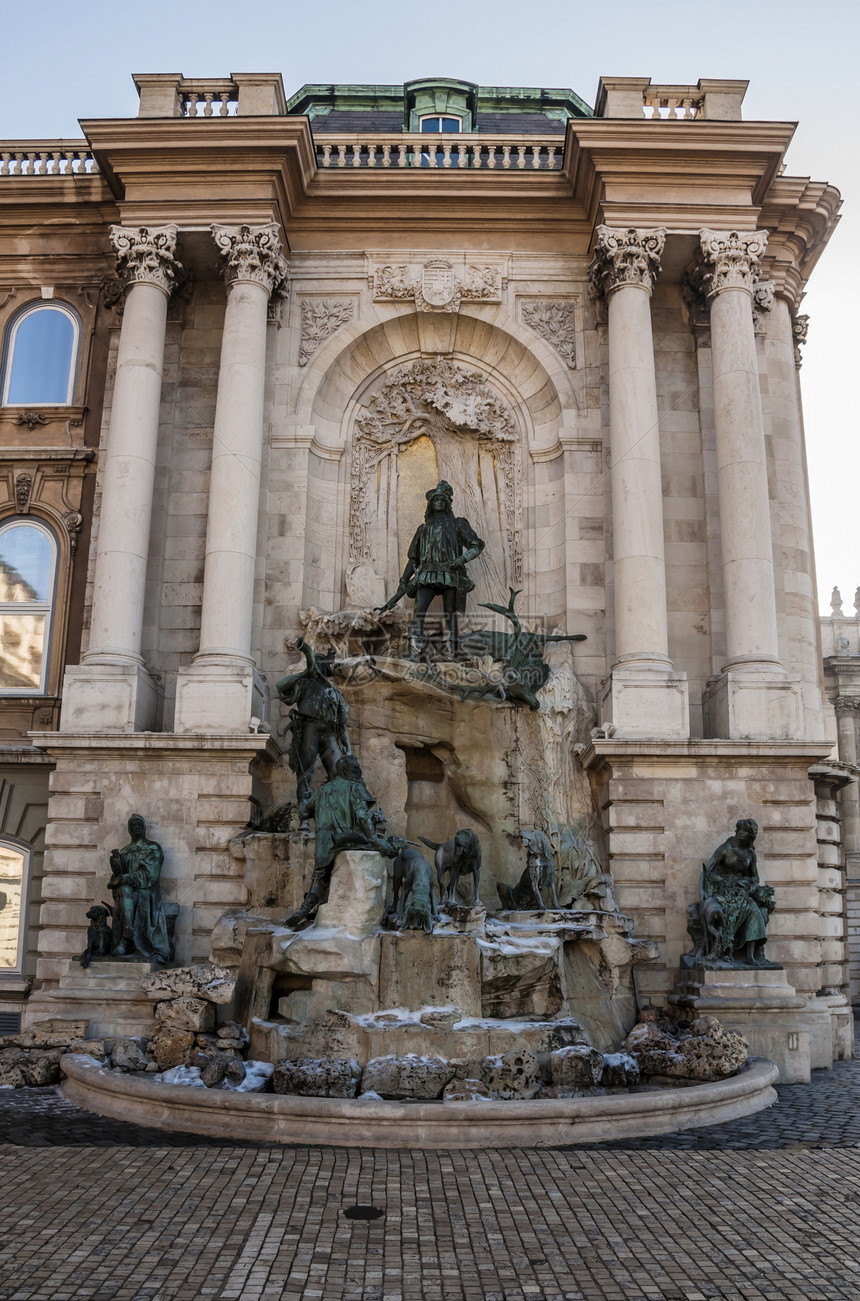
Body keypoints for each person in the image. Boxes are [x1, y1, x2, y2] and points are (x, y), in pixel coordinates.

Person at [377, 480, 484, 659]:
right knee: (420, 609)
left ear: (448, 503)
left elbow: (477, 545)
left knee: (450, 612)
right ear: (430, 505)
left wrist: (460, 560)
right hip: (426, 574)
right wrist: (404, 580)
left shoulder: (458, 523)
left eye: (442, 499)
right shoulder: (423, 529)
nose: (439, 502)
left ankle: (453, 649)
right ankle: (416, 649)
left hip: (450, 573)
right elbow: (413, 559)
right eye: (435, 500)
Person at [286, 756, 396, 928]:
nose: (359, 771)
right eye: (356, 768)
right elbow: (362, 816)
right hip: (349, 841)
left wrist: (305, 798)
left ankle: (305, 908)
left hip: (325, 846)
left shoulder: (322, 790)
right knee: (388, 846)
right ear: (347, 770)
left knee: (321, 877)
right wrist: (375, 840)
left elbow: (303, 812)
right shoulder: (355, 788)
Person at [276, 637, 350, 825]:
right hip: (309, 729)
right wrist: (303, 674)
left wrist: (347, 747)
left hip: (329, 733)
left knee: (337, 774)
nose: (316, 668)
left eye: (318, 664)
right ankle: (304, 820)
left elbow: (342, 722)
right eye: (314, 664)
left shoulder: (334, 692)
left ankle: (335, 819)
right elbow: (280, 687)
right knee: (305, 774)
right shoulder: (304, 684)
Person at [701, 818, 775, 966]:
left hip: (741, 891)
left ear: (751, 835)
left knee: (755, 912)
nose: (740, 833)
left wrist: (749, 885)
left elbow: (754, 876)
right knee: (731, 910)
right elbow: (708, 871)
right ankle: (725, 949)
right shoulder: (725, 848)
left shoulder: (750, 854)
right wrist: (723, 881)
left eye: (745, 831)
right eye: (740, 830)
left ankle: (750, 956)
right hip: (722, 891)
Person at [108, 813, 170, 963]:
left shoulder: (152, 847)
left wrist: (123, 878)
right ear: (129, 829)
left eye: (139, 825)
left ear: (144, 828)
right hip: (127, 893)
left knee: (128, 890)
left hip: (146, 891)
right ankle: (127, 932)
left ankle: (126, 939)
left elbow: (150, 875)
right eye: (134, 825)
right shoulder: (124, 851)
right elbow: (117, 876)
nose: (137, 828)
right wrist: (116, 865)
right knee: (124, 890)